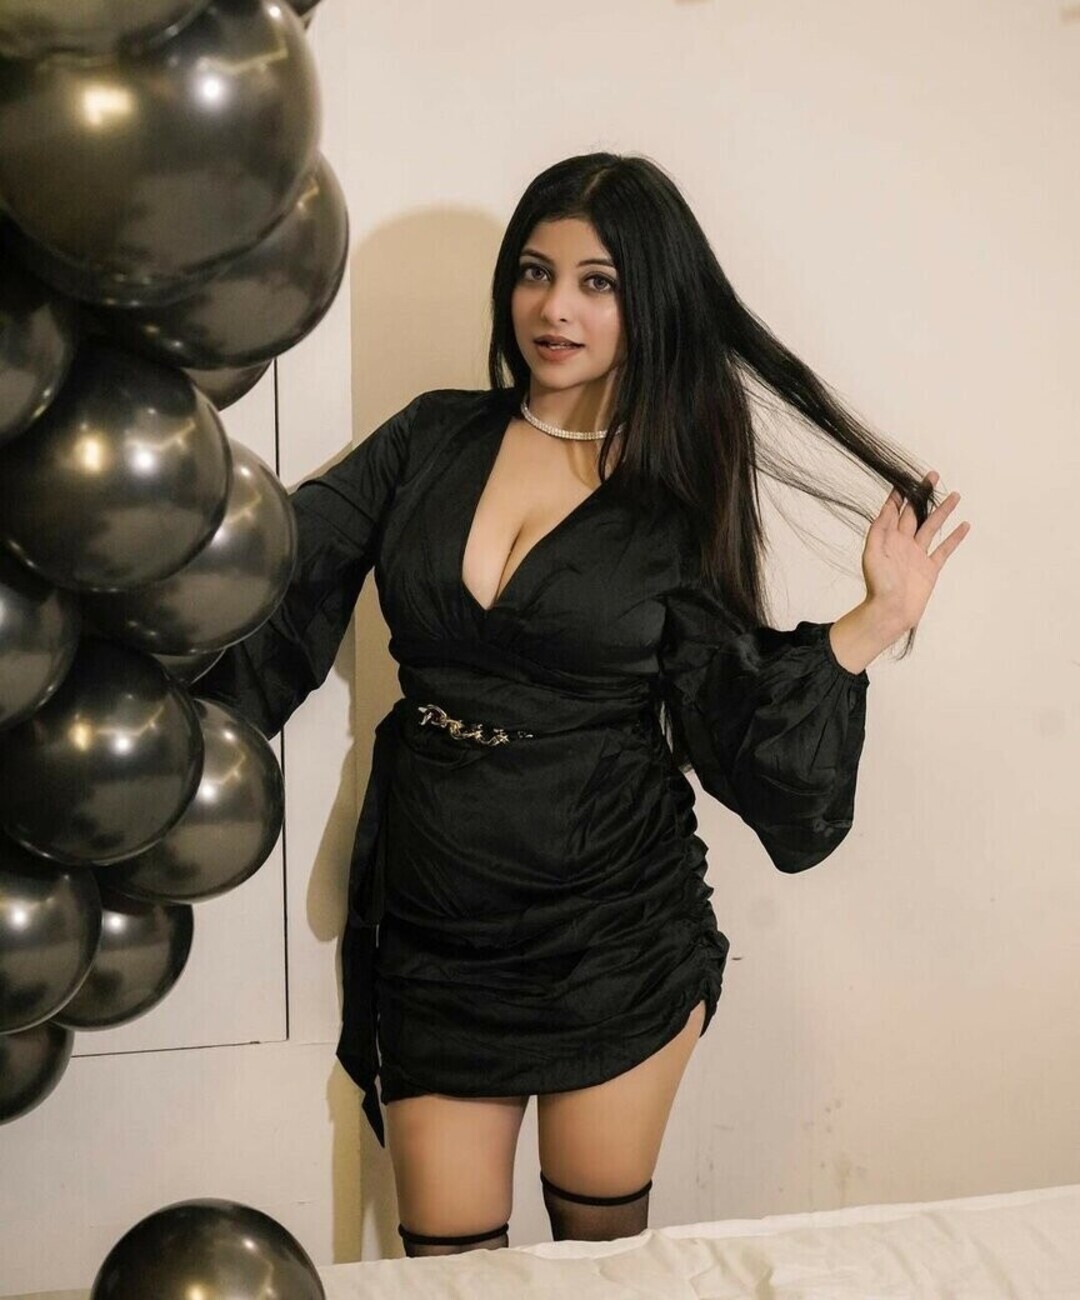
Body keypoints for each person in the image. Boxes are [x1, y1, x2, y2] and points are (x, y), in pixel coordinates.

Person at [197, 152, 969, 1257]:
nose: (555, 307)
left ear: (649, 299)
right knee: (447, 1263)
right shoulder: (429, 438)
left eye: (597, 282)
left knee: (599, 1257)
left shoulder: (677, 491)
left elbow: (730, 708)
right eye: (535, 271)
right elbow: (279, 581)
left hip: (611, 925)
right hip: (438, 921)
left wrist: (872, 622)